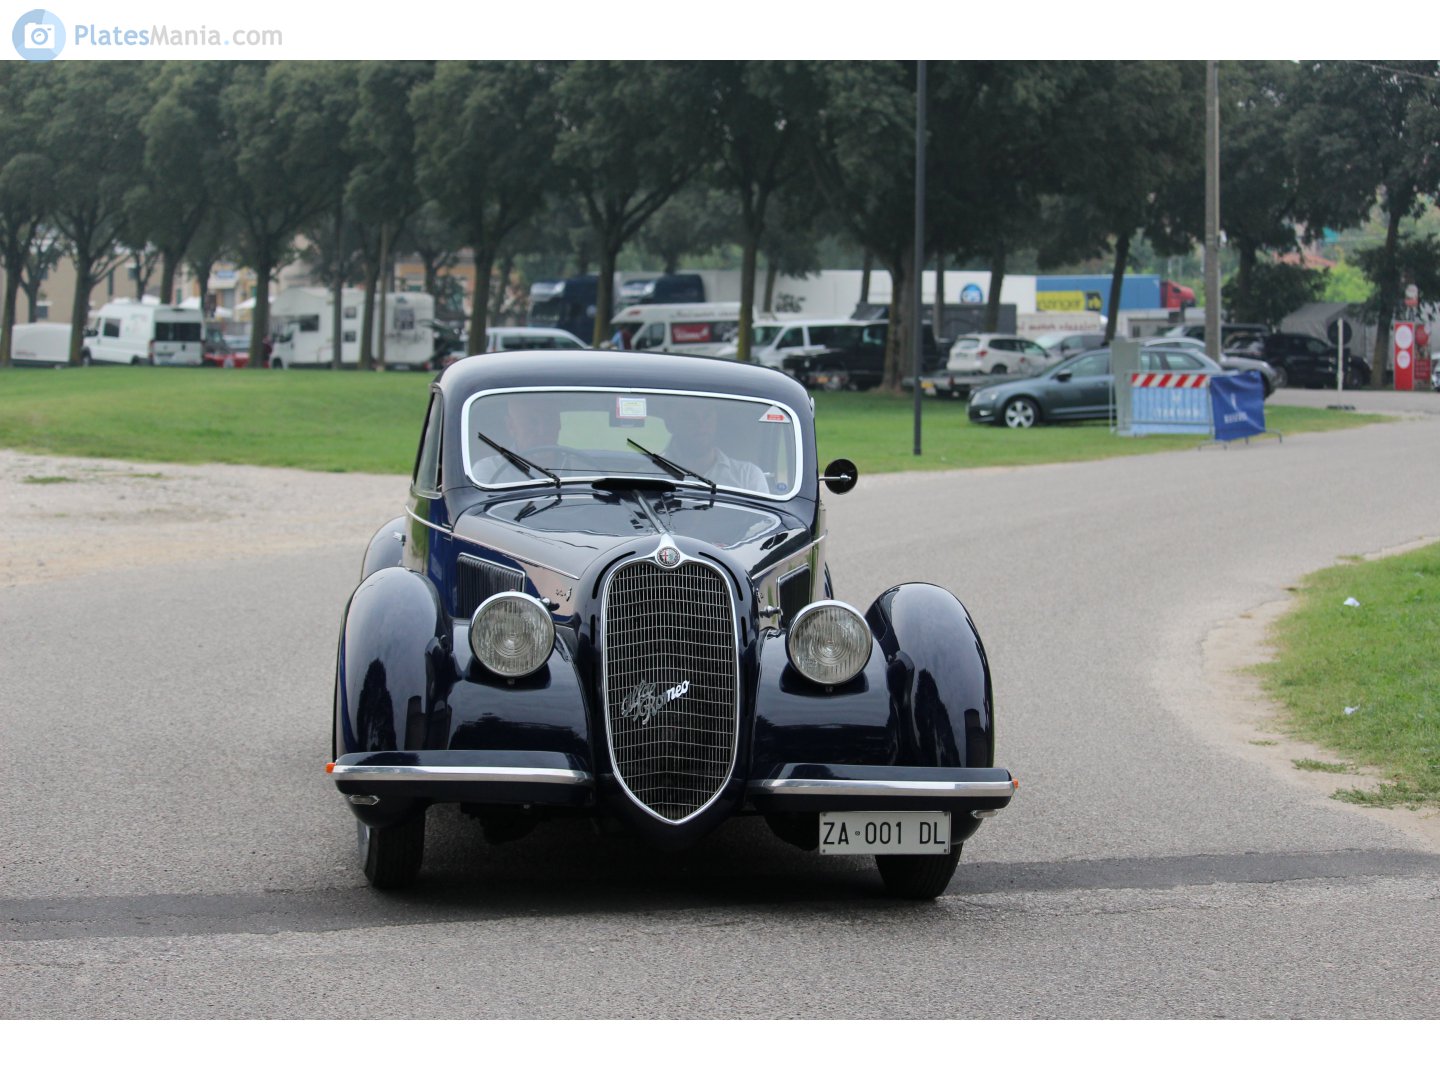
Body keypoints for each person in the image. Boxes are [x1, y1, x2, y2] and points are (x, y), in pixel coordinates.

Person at [662, 397, 767, 492]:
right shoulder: (651, 471)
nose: (701, 424)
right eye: (689, 416)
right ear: (670, 424)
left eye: (707, 415)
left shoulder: (748, 476)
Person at [474, 394, 563, 483]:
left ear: (559, 423)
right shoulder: (490, 471)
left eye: (549, 420)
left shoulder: (576, 465)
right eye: (531, 422)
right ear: (511, 426)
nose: (542, 431)